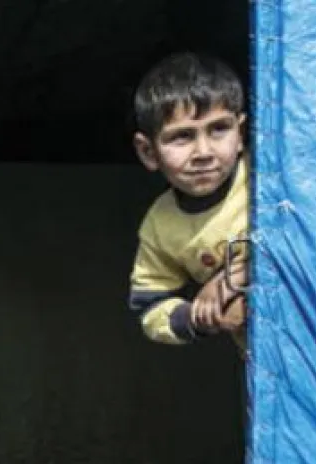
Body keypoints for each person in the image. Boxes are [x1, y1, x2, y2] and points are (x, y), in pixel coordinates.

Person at [127, 52, 250, 352]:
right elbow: (149, 307)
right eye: (182, 137)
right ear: (148, 152)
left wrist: (234, 278)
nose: (203, 151)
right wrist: (198, 318)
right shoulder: (161, 225)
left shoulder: (268, 176)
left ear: (241, 133)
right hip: (270, 370)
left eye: (219, 129)